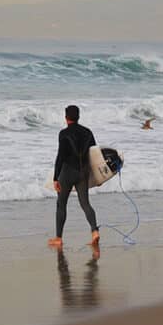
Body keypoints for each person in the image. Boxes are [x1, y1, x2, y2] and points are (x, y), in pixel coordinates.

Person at [48, 105, 100, 249]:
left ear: (66, 117)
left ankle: (58, 238)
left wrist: (55, 178)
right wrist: (98, 177)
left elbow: (61, 157)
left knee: (61, 204)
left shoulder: (63, 134)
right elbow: (95, 154)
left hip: (67, 173)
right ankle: (95, 231)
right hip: (83, 172)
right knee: (85, 203)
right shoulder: (88, 132)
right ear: (78, 117)